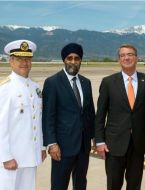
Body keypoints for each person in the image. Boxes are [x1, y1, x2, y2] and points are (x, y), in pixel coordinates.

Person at [95, 44, 145, 190]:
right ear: (118, 60)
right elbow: (100, 115)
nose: (126, 58)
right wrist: (99, 141)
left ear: (137, 58)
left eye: (130, 54)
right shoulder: (108, 82)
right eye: (122, 55)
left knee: (135, 184)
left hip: (138, 143)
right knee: (113, 184)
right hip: (113, 144)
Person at [42, 43, 95, 190]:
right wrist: (51, 143)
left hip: (83, 146)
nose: (73, 61)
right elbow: (48, 116)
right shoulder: (52, 82)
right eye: (69, 58)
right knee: (59, 185)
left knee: (80, 184)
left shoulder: (86, 82)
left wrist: (94, 136)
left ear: (80, 60)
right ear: (64, 60)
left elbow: (90, 112)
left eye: (76, 58)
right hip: (62, 146)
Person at [0, 40, 46, 190]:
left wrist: (41, 147)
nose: (24, 63)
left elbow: (37, 120)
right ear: (11, 61)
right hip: (12, 158)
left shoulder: (35, 87)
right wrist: (5, 157)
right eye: (19, 59)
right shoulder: (6, 88)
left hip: (30, 156)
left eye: (27, 59)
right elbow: (1, 125)